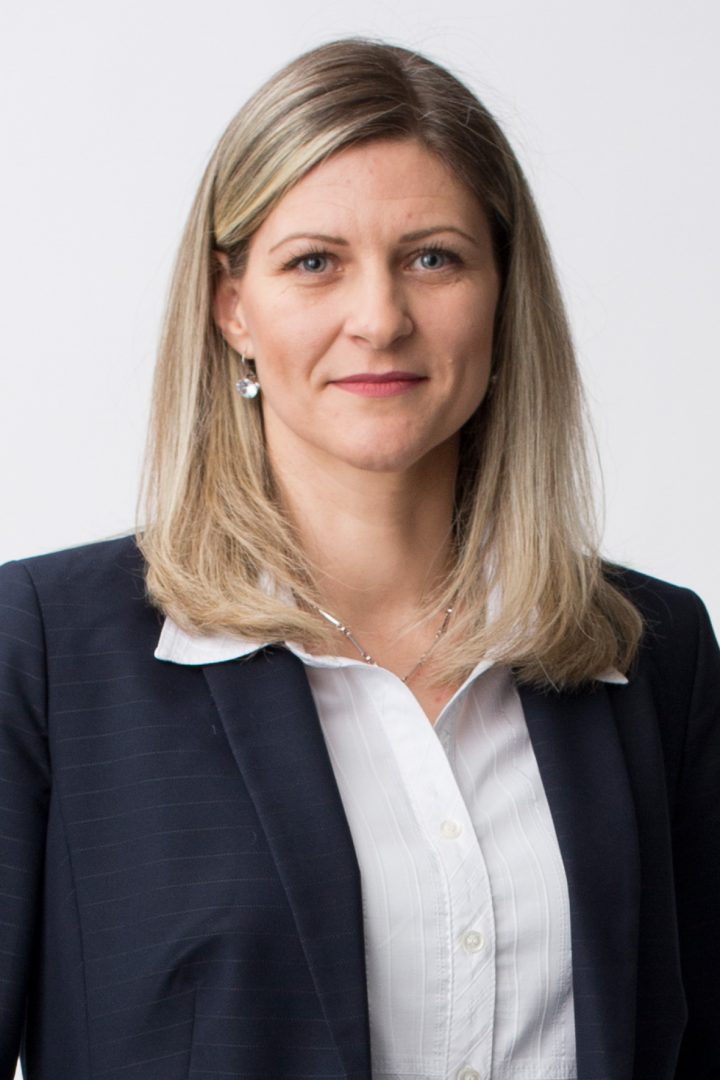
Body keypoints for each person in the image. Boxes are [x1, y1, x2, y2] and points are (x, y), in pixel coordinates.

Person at [0, 38, 717, 1080]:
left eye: (433, 257)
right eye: (314, 262)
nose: (378, 318)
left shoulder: (653, 655)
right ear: (232, 305)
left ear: (502, 292)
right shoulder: (47, 653)